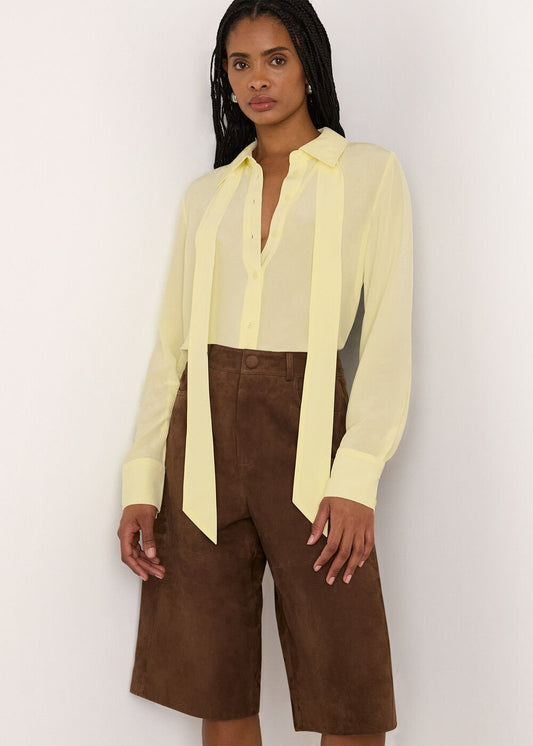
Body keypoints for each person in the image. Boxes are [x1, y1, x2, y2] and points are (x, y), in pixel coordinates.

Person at [117, 1, 413, 744]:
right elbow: (173, 347)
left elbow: (386, 336)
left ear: (309, 64)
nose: (257, 79)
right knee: (216, 685)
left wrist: (356, 477)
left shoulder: (368, 174)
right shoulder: (208, 196)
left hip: (309, 438)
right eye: (240, 63)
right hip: (202, 448)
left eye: (276, 59)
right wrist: (142, 481)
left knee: (348, 684)